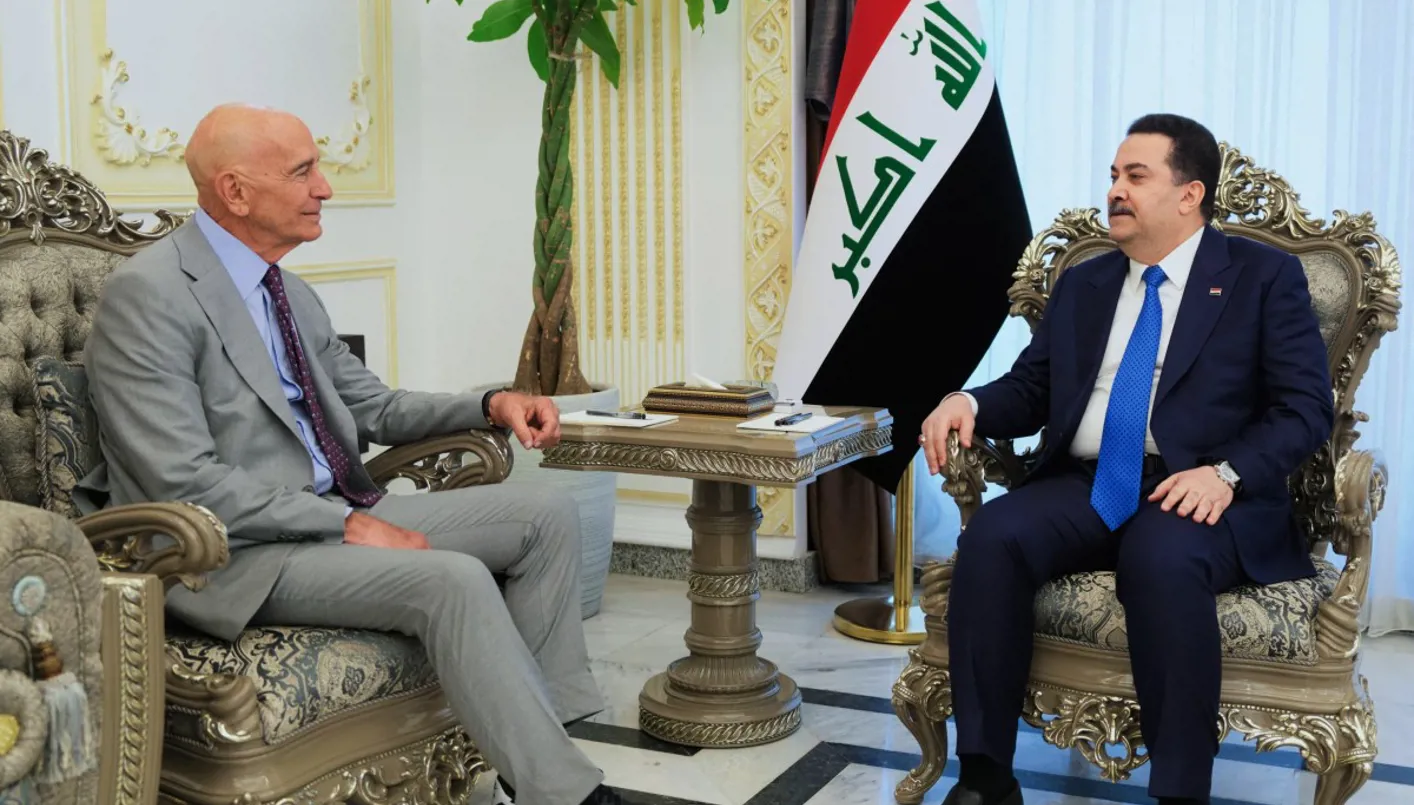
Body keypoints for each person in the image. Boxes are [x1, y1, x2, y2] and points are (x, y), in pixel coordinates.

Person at [76, 103, 625, 805]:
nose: (326, 187)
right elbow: (182, 481)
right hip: (233, 552)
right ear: (236, 191)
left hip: (329, 513)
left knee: (546, 514)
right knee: (452, 579)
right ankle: (570, 796)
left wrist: (491, 404)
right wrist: (344, 524)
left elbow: (374, 406)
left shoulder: (288, 291)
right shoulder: (148, 296)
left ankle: (546, 751)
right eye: (303, 171)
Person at [918, 113, 1333, 805]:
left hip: (1200, 488)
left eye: (1136, 176)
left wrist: (1227, 474)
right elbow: (1033, 389)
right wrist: (968, 401)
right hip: (1090, 482)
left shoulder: (1262, 277)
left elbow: (1305, 408)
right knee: (992, 536)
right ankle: (986, 776)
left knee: (1160, 559)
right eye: (1114, 175)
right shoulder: (1085, 282)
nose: (1115, 190)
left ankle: (1179, 792)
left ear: (1190, 194)